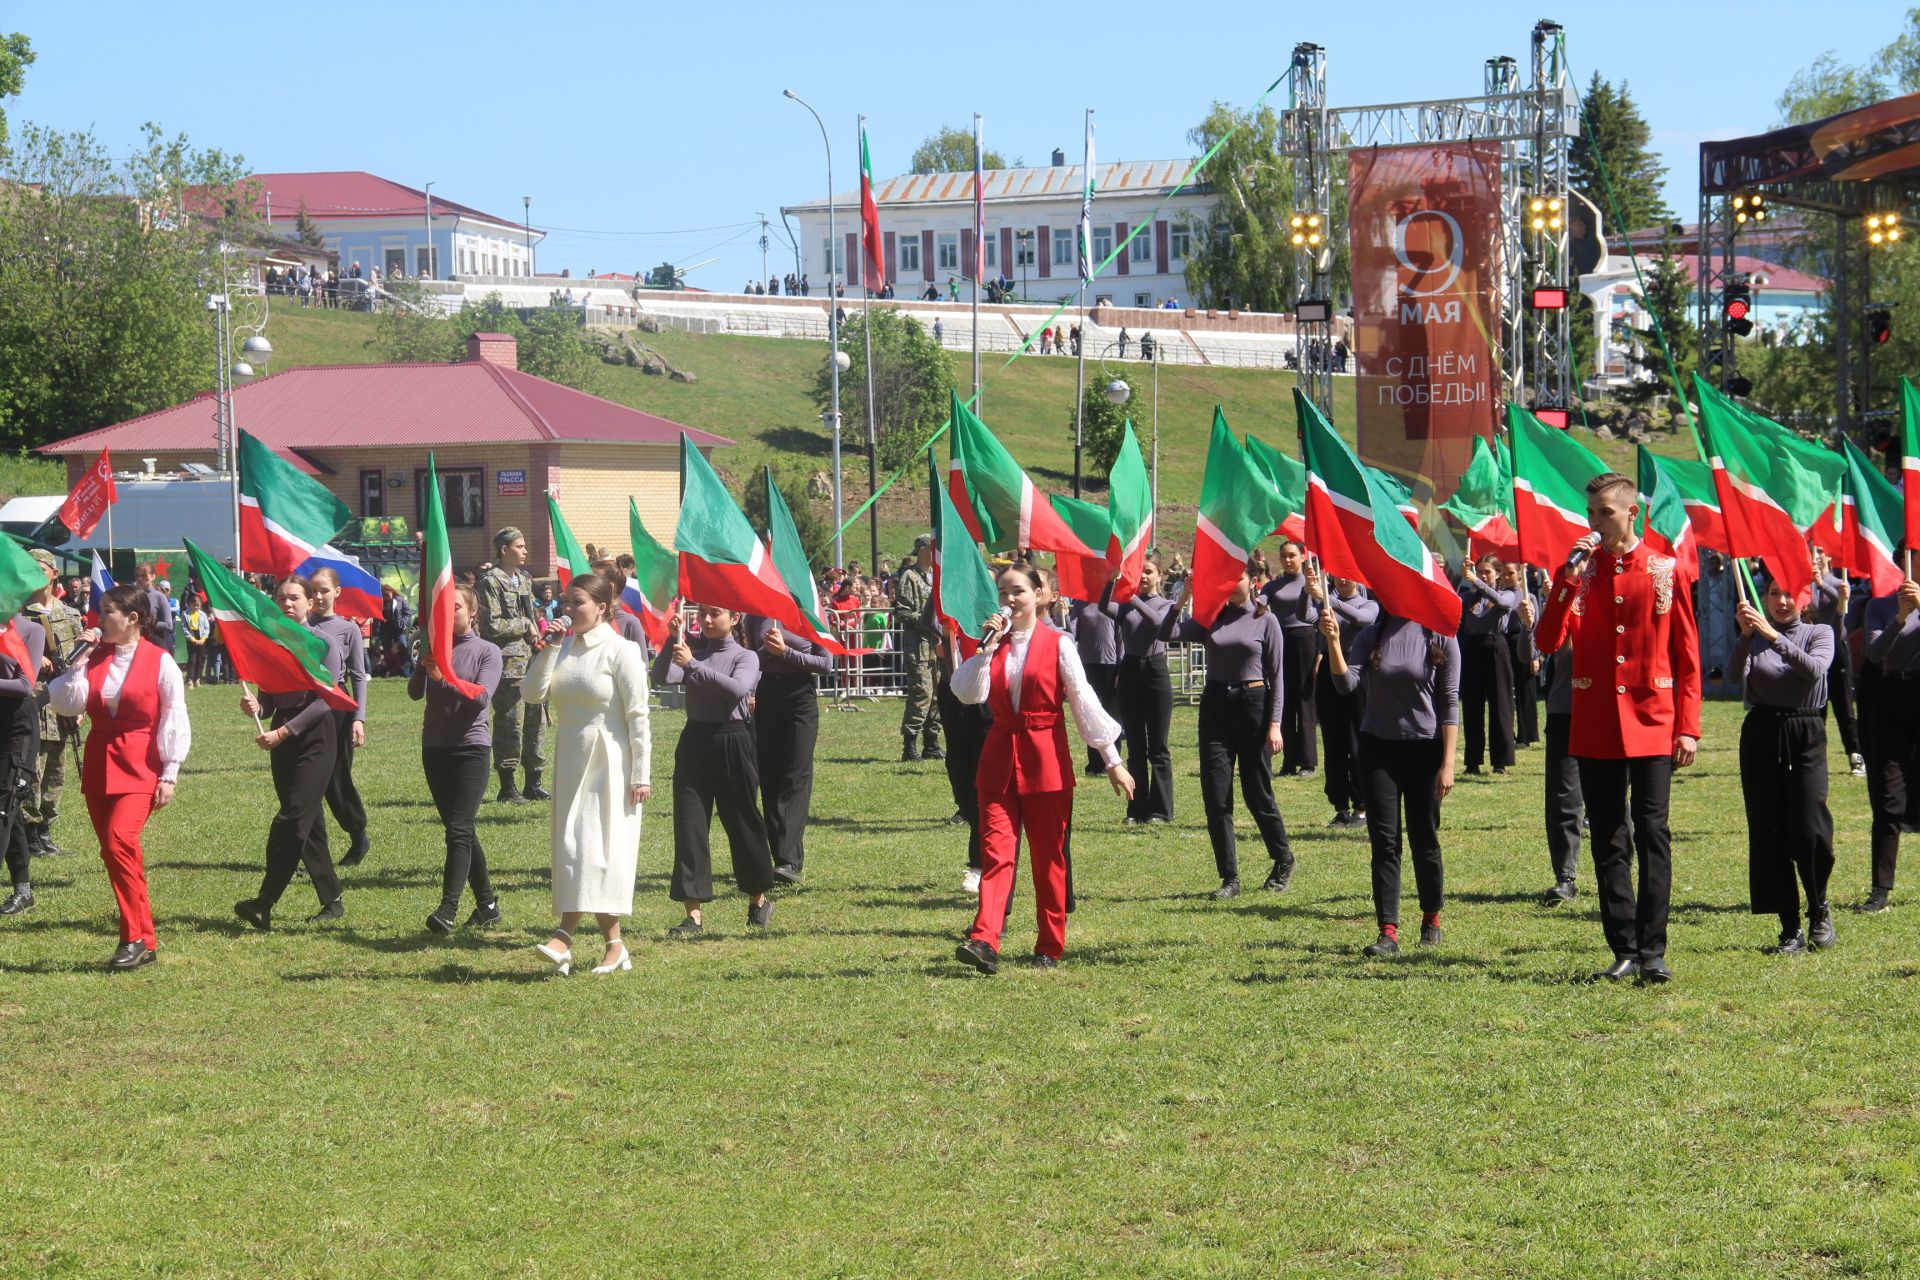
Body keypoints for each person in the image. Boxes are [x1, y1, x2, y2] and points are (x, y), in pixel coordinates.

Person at [1534, 473, 1701, 984]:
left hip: (1653, 720)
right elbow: (1546, 639)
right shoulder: (1580, 575)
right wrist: (1565, 578)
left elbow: (1688, 657)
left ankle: (1653, 950)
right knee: (1609, 836)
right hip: (1597, 722)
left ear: (1632, 513)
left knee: (1653, 832)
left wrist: (1688, 727)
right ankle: (1623, 946)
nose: (1594, 521)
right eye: (1591, 512)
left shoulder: (1665, 570)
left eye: (1604, 512)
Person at [952, 565, 1133, 974]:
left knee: (1048, 857)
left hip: (1045, 760)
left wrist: (1112, 760)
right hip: (998, 760)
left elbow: (1084, 702)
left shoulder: (1058, 643)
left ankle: (1049, 944)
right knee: (996, 854)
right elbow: (967, 693)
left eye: (1018, 591)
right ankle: (984, 940)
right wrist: (985, 650)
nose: (1009, 599)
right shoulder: (993, 645)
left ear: (1039, 595)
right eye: (1003, 592)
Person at [42, 586, 188, 968]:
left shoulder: (161, 661)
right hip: (100, 759)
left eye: (107, 612)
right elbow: (66, 702)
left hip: (141, 763)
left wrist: (169, 772)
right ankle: (147, 940)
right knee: (115, 853)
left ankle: (132, 937)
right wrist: (78, 662)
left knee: (120, 840)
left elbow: (174, 716)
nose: (99, 619)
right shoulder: (93, 657)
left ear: (133, 619)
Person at [524, 573, 652, 974]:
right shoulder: (563, 648)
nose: (568, 609)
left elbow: (638, 716)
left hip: (609, 761)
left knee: (597, 852)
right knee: (572, 849)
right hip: (571, 756)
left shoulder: (621, 650)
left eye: (577, 602)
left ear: (601, 607)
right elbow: (531, 694)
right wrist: (549, 648)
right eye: (565, 601)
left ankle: (566, 939)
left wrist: (641, 773)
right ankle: (611, 945)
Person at [1320, 600, 1459, 955]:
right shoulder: (1371, 635)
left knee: (1424, 837)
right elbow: (1345, 684)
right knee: (1384, 842)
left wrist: (1447, 763)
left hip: (1424, 750)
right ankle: (1388, 931)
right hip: (1377, 749)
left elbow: (1449, 701)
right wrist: (1334, 641)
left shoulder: (1440, 636)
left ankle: (1431, 917)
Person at [1161, 562, 1295, 899]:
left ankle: (1283, 859)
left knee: (1256, 792)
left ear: (1252, 581)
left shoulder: (1266, 619)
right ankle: (1229, 878)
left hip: (1253, 703)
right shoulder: (1212, 616)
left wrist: (1275, 724)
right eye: (1227, 576)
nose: (1232, 582)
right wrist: (1182, 599)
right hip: (1216, 704)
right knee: (1216, 794)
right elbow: (1167, 635)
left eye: (1238, 576)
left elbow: (1277, 675)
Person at [233, 576, 354, 931]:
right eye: (281, 598)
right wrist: (256, 705)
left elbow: (328, 699)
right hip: (281, 736)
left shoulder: (323, 643)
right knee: (308, 822)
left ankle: (264, 902)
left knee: (292, 818)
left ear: (310, 603)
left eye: (295, 598)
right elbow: (269, 700)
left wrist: (285, 731)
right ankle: (332, 900)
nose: (287, 604)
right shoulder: (272, 643)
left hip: (316, 736)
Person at [652, 604, 774, 935]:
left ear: (734, 619)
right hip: (695, 740)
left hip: (732, 739)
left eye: (714, 613)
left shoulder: (745, 656)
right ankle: (693, 915)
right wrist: (669, 643)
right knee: (690, 824)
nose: (705, 620)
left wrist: (692, 664)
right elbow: (661, 676)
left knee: (742, 820)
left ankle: (758, 900)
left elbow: (737, 689)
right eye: (701, 613)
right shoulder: (697, 652)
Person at [1733, 575, 1836, 954]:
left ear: (1805, 597)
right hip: (1761, 733)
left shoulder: (1819, 631)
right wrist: (1745, 637)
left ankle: (1819, 906)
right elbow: (1731, 676)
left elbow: (1814, 670)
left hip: (1805, 730)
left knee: (1811, 830)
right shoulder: (1755, 634)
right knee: (1769, 830)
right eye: (1774, 593)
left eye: (1789, 592)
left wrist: (1774, 637)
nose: (1782, 600)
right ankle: (1789, 925)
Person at [412, 584, 505, 934]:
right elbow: (412, 693)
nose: (449, 614)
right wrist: (423, 668)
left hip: (471, 748)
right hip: (435, 748)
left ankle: (448, 908)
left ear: (472, 611)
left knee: (458, 829)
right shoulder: (437, 650)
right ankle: (488, 906)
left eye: (455, 607)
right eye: (444, 609)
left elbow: (480, 699)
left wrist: (443, 678)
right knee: (461, 829)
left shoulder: (488, 652)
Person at [746, 614, 830, 883]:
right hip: (768, 693)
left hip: (800, 696)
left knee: (795, 775)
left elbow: (826, 663)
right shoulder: (755, 613)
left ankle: (789, 860)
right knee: (769, 775)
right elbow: (749, 659)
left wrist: (786, 652)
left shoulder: (809, 609)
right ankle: (780, 855)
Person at [1857, 576, 1920, 913]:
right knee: (1888, 798)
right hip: (1891, 697)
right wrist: (1900, 617)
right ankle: (1880, 889)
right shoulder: (1880, 606)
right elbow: (1873, 653)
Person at [1099, 558, 1176, 824]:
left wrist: (1133, 599)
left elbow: (1158, 623)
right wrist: (1112, 579)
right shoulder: (1126, 605)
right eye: (1140, 571)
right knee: (1135, 745)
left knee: (1158, 746)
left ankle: (1161, 810)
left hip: (1155, 670)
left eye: (1149, 571)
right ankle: (1136, 809)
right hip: (1130, 668)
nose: (1143, 576)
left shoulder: (1165, 604)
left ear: (1160, 576)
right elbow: (1103, 606)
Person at [1302, 564, 1378, 826]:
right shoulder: (1324, 602)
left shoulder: (1368, 604)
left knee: (1358, 739)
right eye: (1338, 573)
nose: (1343, 578)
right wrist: (1307, 590)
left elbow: (1362, 619)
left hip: (1357, 670)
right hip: (1328, 674)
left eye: (1349, 573)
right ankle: (1340, 804)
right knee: (1333, 740)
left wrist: (1326, 597)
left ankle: (1362, 805)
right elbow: (1305, 615)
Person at [478, 527, 549, 804]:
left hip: (531, 660)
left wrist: (536, 632)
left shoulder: (523, 580)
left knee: (535, 721)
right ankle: (507, 786)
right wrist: (524, 625)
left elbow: (530, 614)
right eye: (519, 546)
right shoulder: (489, 582)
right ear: (504, 550)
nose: (525, 551)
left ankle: (534, 781)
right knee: (510, 724)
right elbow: (491, 625)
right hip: (508, 665)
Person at [307, 568, 371, 867]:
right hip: (305, 703)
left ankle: (357, 832)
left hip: (338, 708)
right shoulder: (298, 626)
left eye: (324, 590)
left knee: (336, 777)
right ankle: (313, 852)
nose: (318, 597)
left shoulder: (349, 629)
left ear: (337, 592)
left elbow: (359, 676)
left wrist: (359, 718)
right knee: (308, 780)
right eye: (314, 591)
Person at [22, 548, 83, 858]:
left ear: (54, 573)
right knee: (29, 771)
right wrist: (35, 655)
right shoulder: (16, 614)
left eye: (40, 567)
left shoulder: (70, 615)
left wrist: (80, 705)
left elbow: (81, 663)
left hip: (60, 705)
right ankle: (29, 834)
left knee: (56, 773)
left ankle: (46, 831)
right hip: (29, 703)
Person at [0, 610, 47, 920]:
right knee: (9, 811)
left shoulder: (29, 629)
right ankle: (23, 891)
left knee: (4, 805)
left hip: (18, 727)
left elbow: (25, 684)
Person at [1259, 541, 1319, 777]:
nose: (1287, 560)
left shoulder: (1311, 583)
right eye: (1283, 556)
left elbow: (1322, 614)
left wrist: (1321, 652)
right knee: (1282, 700)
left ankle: (1308, 762)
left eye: (1292, 555)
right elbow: (1258, 605)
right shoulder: (1272, 586)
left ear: (1302, 557)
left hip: (1306, 639)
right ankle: (1288, 761)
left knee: (1305, 701)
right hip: (1280, 640)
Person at [1457, 553, 1519, 774]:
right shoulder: (1470, 595)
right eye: (1480, 571)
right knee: (1472, 705)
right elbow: (1453, 600)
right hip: (1472, 648)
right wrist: (1462, 575)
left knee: (1500, 704)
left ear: (1498, 574)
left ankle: (1500, 761)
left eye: (1487, 572)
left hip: (1496, 647)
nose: (1483, 575)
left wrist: (1476, 581)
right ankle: (1473, 761)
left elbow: (1501, 603)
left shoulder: (1509, 593)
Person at [1538, 638, 1586, 905]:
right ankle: (1565, 877)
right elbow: (1529, 652)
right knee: (1562, 798)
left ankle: (1617, 872)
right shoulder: (1563, 600)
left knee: (1612, 799)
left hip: (1609, 707)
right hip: (1564, 710)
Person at [1809, 551, 1864, 776]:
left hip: (1836, 648)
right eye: (1813, 551)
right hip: (1813, 650)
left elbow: (1842, 606)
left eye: (1821, 551)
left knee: (1843, 705)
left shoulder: (1838, 582)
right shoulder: (1806, 583)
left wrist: (1821, 584)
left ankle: (1855, 755)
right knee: (1815, 705)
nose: (1817, 556)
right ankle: (1815, 756)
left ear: (1829, 557)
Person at [894, 537, 943, 761]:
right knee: (921, 693)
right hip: (919, 646)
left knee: (937, 696)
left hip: (937, 645)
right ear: (924, 550)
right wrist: (927, 621)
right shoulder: (909, 576)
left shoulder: (936, 577)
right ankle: (910, 745)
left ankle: (932, 743)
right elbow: (901, 611)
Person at [1067, 587, 1121, 777]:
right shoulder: (1080, 604)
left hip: (1111, 664)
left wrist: (1121, 667)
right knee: (1091, 713)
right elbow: (1071, 633)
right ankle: (1095, 764)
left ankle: (1113, 762)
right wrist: (1063, 614)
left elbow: (1121, 637)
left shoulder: (1114, 603)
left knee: (1111, 714)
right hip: (1087, 665)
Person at [1504, 563, 1541, 748]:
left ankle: (1526, 734)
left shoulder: (1529, 596)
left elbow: (1536, 626)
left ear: (1519, 575)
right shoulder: (1502, 596)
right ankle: (1508, 732)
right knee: (1507, 691)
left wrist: (1535, 656)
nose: (1506, 577)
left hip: (1523, 641)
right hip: (1505, 643)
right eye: (1504, 574)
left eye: (1510, 573)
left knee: (1525, 688)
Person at [133, 563, 175, 654]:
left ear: (153, 576)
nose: (140, 578)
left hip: (155, 643)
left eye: (144, 575)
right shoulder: (132, 596)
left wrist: (150, 623)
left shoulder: (159, 597)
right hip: (134, 643)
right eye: (137, 575)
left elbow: (169, 625)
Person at [182, 593, 212, 687]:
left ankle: (197, 679)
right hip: (192, 638)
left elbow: (207, 628)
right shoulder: (185, 614)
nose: (196, 607)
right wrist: (192, 639)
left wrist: (203, 639)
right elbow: (184, 628)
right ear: (189, 604)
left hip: (201, 638)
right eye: (194, 605)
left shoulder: (203, 615)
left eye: (198, 605)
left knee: (200, 660)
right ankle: (190, 679)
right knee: (192, 660)